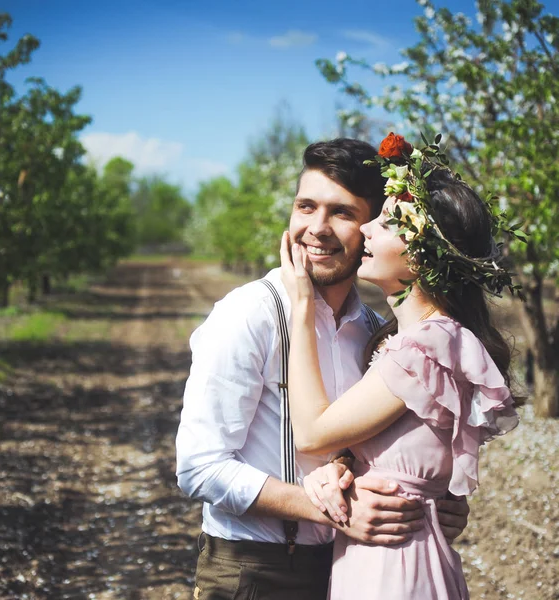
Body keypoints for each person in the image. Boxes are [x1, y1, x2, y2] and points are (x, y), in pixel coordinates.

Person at [176, 138, 470, 600]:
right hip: (257, 571)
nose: (316, 228)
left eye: (342, 213)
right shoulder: (248, 314)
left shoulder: (378, 333)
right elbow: (200, 467)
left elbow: (388, 446)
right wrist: (330, 508)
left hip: (354, 568)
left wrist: (438, 503)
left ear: (373, 230)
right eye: (305, 206)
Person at [279, 133, 520, 599]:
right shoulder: (421, 340)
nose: (366, 229)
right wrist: (344, 466)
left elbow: (310, 432)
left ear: (423, 253)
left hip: (394, 569)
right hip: (387, 554)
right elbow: (405, 453)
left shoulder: (425, 347)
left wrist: (302, 307)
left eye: (387, 224)